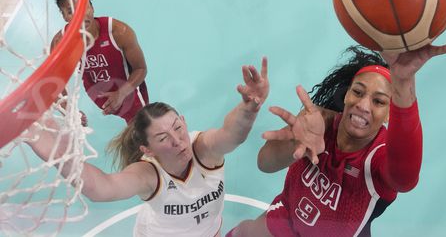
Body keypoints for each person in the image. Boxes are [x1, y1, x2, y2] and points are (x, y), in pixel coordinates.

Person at [227, 8, 446, 237]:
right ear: (346, 94)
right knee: (244, 232)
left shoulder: (378, 157)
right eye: (358, 92)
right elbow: (264, 163)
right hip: (287, 219)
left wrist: (403, 81)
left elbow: (406, 179)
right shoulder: (319, 121)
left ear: (389, 113)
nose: (363, 105)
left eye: (379, 101)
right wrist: (295, 141)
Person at [25, 57, 269, 237]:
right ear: (147, 150)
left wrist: (249, 109)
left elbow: (232, 135)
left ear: (184, 121)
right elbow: (100, 188)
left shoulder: (204, 148)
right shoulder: (148, 174)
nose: (177, 140)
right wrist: (46, 141)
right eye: (163, 138)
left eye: (177, 127)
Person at [51, 0, 149, 124]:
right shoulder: (60, 43)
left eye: (84, 6)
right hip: (97, 91)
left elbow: (141, 69)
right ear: (64, 16)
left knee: (142, 126)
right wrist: (70, 111)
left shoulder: (118, 31)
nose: (80, 14)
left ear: (92, 7)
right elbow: (54, 83)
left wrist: (121, 93)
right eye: (71, 11)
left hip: (129, 88)